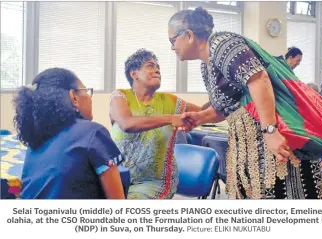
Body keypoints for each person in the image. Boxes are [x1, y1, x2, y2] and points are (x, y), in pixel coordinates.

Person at [168, 7, 322, 199]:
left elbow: (259, 79)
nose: (172, 47)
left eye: (173, 40)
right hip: (248, 150)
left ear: (189, 35)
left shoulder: (221, 43)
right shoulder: (206, 64)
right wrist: (201, 117)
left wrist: (271, 131)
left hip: (275, 146)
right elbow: (226, 107)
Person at [14, 68, 125, 199]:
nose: (89, 97)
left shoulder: (35, 142)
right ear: (73, 97)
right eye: (86, 91)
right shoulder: (93, 133)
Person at [109, 49, 201, 199]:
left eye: (158, 67)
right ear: (134, 74)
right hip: (119, 177)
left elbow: (203, 113)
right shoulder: (120, 97)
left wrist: (221, 93)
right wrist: (171, 118)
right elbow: (127, 124)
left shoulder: (170, 101)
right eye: (150, 66)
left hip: (154, 182)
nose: (157, 70)